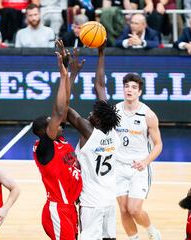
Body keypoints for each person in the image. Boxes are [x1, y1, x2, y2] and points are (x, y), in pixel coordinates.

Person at [67, 43, 121, 240]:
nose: (90, 112)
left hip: (91, 201)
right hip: (108, 198)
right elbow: (100, 86)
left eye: (93, 112)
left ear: (97, 119)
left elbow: (62, 107)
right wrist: (101, 52)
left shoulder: (88, 131)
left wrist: (71, 74)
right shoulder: (111, 128)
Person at [32, 40, 83, 240]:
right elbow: (60, 110)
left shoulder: (59, 141)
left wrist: (72, 73)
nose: (59, 123)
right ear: (44, 131)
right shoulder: (44, 148)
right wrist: (63, 73)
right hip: (58, 210)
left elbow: (65, 105)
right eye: (52, 123)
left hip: (71, 207)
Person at [115, 73, 163, 240]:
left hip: (139, 167)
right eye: (127, 86)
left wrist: (145, 162)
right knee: (123, 209)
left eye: (134, 87)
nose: (130, 90)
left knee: (134, 209)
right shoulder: (115, 111)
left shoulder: (148, 115)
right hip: (119, 165)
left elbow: (158, 145)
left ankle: (151, 230)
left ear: (139, 92)